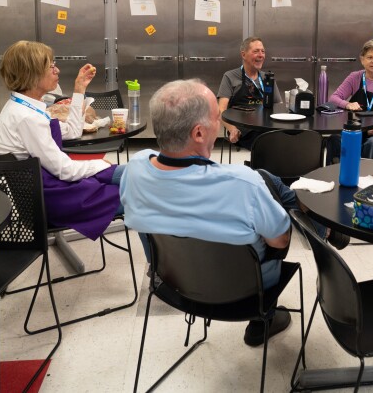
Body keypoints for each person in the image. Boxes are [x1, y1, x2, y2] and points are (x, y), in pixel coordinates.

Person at [120, 79, 295, 346]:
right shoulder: (242, 183)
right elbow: (280, 241)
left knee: (264, 178)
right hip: (246, 292)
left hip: (173, 285)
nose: (220, 123)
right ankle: (264, 320)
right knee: (269, 191)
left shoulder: (134, 168)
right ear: (199, 133)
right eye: (217, 118)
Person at [0, 41, 123, 240]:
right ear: (32, 73)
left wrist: (79, 90)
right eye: (51, 66)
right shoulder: (27, 118)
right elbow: (65, 170)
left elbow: (72, 130)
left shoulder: (24, 107)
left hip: (51, 187)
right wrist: (99, 163)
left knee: (138, 173)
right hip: (54, 198)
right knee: (141, 191)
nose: (57, 70)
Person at [217, 36, 282, 150]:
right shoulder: (230, 76)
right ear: (243, 55)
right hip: (242, 128)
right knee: (267, 143)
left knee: (290, 138)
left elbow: (279, 106)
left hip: (266, 126)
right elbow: (220, 110)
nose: (261, 55)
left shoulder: (267, 78)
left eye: (263, 51)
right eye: (256, 51)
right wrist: (232, 129)